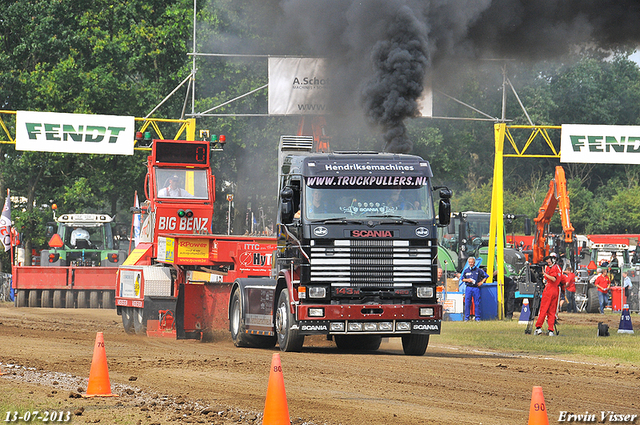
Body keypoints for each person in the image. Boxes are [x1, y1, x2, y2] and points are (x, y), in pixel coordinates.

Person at [534, 255, 562, 336]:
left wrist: (544, 274)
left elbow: (553, 279)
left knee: (543, 309)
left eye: (549, 261)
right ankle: (551, 330)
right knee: (552, 311)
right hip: (555, 290)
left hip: (549, 289)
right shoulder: (557, 267)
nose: (548, 263)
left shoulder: (553, 268)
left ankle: (538, 327)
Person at [461, 257, 488, 322]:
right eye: (469, 262)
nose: (471, 263)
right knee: (467, 303)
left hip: (476, 288)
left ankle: (477, 318)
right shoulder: (466, 270)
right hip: (468, 288)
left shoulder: (478, 270)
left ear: (474, 263)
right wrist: (468, 280)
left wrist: (481, 282)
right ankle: (467, 317)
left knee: (477, 303)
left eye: (472, 262)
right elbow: (462, 279)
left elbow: (486, 276)